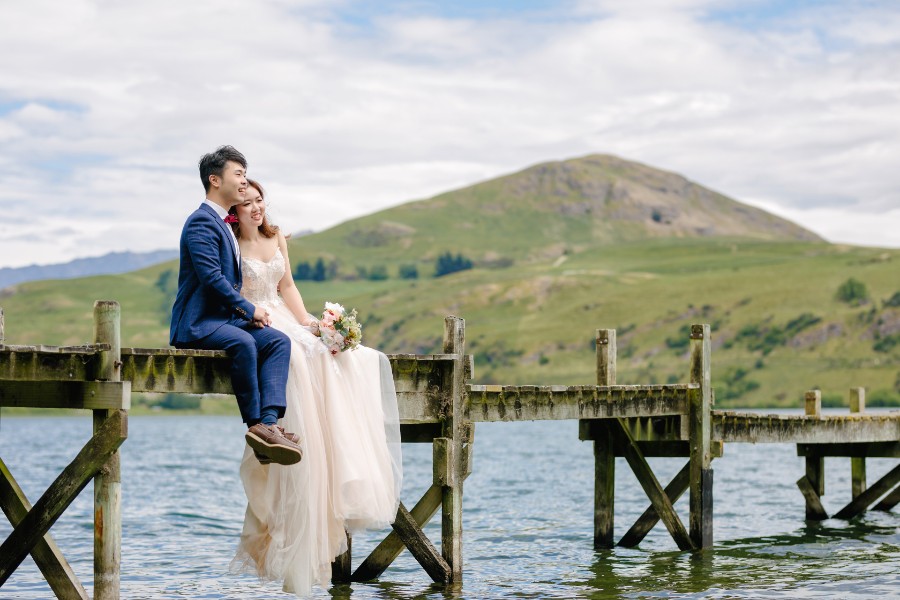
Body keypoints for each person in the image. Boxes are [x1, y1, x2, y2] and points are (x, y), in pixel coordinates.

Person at [227, 179, 402, 596]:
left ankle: (331, 446)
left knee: (333, 353)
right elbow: (232, 290)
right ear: (235, 209)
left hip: (283, 316)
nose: (256, 208)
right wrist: (252, 315)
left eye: (260, 199)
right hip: (256, 319)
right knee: (297, 360)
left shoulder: (276, 239)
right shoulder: (231, 244)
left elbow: (287, 286)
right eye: (248, 202)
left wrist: (309, 321)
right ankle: (279, 433)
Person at [169, 146, 302, 465]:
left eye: (245, 174)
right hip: (197, 324)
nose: (244, 182)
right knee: (244, 343)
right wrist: (250, 311)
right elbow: (212, 279)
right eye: (238, 174)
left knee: (277, 341)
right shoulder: (201, 222)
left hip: (222, 321)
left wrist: (248, 317)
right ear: (215, 180)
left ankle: (269, 425)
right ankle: (256, 427)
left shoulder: (222, 224)